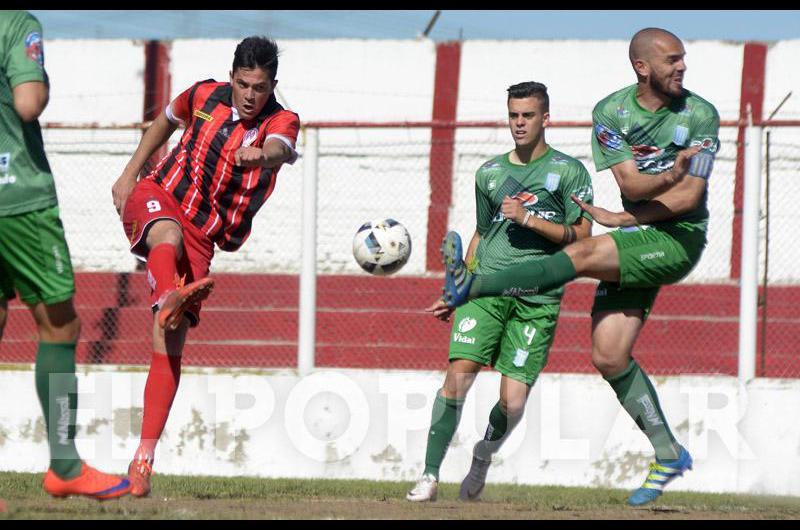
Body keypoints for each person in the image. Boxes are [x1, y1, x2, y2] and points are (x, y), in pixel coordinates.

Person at [434, 28, 720, 506]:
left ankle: (474, 284)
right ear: (642, 67)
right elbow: (630, 180)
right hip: (640, 233)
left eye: (683, 58)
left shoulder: (701, 115)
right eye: (672, 59)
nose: (682, 67)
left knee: (581, 255)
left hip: (679, 238)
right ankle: (668, 452)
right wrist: (658, 184)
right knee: (608, 356)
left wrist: (629, 213)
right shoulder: (611, 113)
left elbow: (690, 194)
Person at [111, 36, 300, 497]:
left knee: (168, 341)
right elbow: (165, 120)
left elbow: (280, 147)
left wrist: (265, 154)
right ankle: (166, 295)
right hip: (160, 194)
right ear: (230, 76)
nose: (251, 95)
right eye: (243, 84)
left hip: (204, 236)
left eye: (260, 86)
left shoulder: (283, 121)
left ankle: (142, 461)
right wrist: (130, 170)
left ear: (273, 83)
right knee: (166, 236)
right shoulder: (202, 95)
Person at [406, 82, 594, 502]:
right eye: (513, 115)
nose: (520, 123)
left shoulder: (569, 172)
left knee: (511, 403)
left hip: (538, 299)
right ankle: (429, 476)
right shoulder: (489, 174)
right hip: (488, 290)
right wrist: (458, 289)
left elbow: (582, 236)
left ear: (547, 118)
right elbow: (480, 233)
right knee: (457, 379)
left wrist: (529, 219)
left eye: (528, 115)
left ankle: (483, 455)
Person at [0, 10, 131, 499]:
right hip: (17, 200)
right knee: (59, 326)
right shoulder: (15, 23)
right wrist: (40, 80)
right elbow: (28, 103)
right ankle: (65, 465)